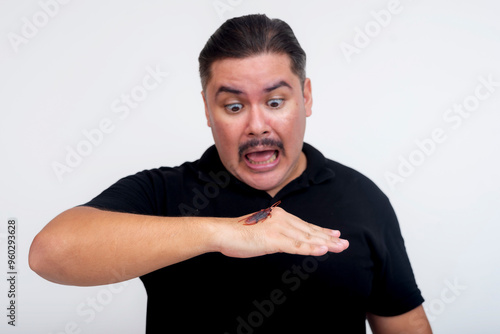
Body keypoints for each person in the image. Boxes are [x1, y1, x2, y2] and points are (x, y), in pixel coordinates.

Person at [29, 14, 432, 334]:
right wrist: (224, 233)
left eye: (275, 101)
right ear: (207, 109)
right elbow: (49, 253)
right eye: (234, 107)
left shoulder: (362, 198)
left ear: (305, 97)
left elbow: (405, 325)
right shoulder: (164, 193)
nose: (257, 126)